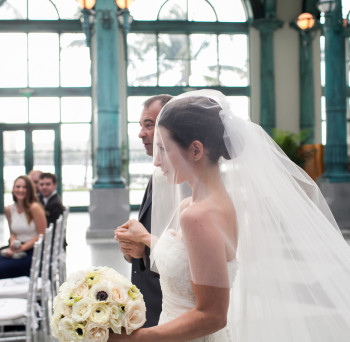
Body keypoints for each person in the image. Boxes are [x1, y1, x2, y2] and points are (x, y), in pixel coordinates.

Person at [113, 90, 350, 342]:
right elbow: (189, 262)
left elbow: (213, 315)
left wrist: (133, 338)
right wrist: (148, 241)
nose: (157, 161)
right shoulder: (204, 204)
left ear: (196, 150)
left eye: (164, 148)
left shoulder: (198, 215)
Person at [116, 94, 173, 328]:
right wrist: (132, 242)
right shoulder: (160, 172)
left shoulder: (186, 180)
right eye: (141, 126)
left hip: (168, 304)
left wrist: (144, 244)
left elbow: (191, 255)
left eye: (148, 125)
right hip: (151, 298)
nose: (140, 134)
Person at [0, 175, 46, 279]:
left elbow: (42, 234)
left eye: (24, 187)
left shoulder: (35, 208)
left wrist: (22, 248)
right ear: (13, 189)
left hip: (33, 252)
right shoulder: (9, 209)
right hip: (16, 249)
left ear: (29, 190)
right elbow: (12, 233)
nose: (21, 190)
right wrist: (12, 242)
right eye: (18, 186)